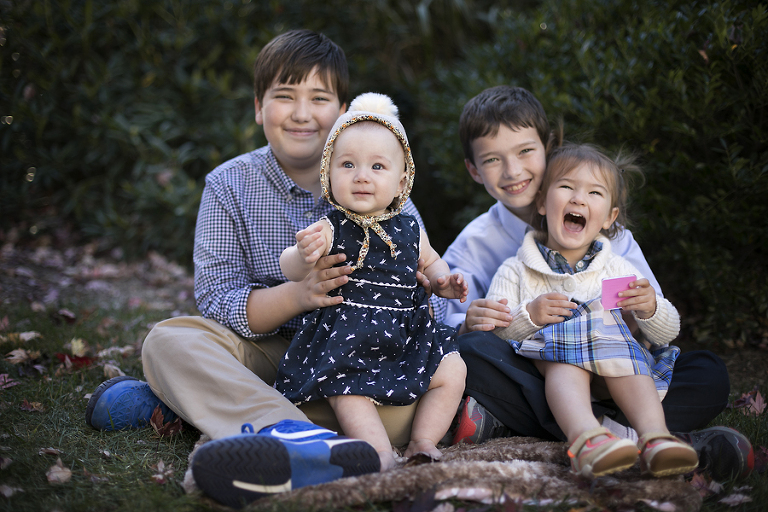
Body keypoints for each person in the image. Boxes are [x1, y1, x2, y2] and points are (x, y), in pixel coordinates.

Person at [84, 30, 441, 509]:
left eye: (319, 98)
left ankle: (210, 414)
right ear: (258, 107)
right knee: (169, 341)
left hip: (359, 364)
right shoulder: (228, 185)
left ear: (341, 112)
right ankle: (298, 436)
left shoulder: (381, 178)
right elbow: (218, 299)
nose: (301, 113)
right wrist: (299, 295)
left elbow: (423, 283)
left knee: (419, 383)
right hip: (269, 349)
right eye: (284, 96)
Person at [442, 85, 753, 481]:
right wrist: (471, 320)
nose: (513, 171)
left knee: (707, 371)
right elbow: (449, 329)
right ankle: (639, 439)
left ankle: (563, 432)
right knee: (473, 350)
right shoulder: (475, 244)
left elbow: (657, 326)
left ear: (548, 148)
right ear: (473, 170)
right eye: (492, 159)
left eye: (525, 152)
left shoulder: (611, 236)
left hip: (619, 374)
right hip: (538, 372)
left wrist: (642, 312)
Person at [275, 92, 468, 471]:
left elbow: (430, 263)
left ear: (401, 182)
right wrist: (302, 255)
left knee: (452, 368)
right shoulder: (332, 226)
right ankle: (378, 454)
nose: (361, 175)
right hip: (347, 339)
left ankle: (423, 441)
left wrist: (444, 282)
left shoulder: (410, 227)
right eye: (348, 164)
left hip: (405, 333)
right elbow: (291, 270)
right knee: (349, 391)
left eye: (377, 167)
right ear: (329, 175)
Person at [485, 143, 698, 478]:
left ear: (610, 217)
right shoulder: (516, 270)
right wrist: (530, 315)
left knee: (679, 363)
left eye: (594, 193)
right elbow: (494, 334)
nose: (578, 199)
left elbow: (667, 332)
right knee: (563, 352)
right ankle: (587, 439)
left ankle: (656, 437)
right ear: (541, 202)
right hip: (555, 374)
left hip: (619, 372)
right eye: (567, 187)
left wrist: (649, 308)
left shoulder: (616, 269)